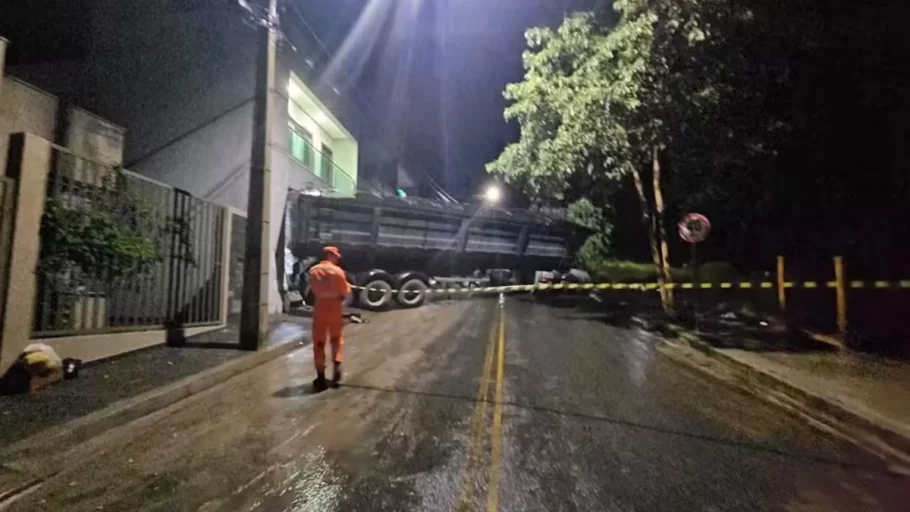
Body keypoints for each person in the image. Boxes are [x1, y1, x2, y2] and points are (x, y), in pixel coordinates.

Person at [307, 246, 351, 392]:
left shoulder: (313, 271)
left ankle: (320, 377)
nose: (338, 258)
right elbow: (345, 291)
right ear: (330, 255)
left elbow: (313, 289)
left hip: (320, 307)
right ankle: (337, 369)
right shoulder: (339, 272)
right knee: (336, 339)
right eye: (336, 256)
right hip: (335, 307)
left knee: (319, 342)